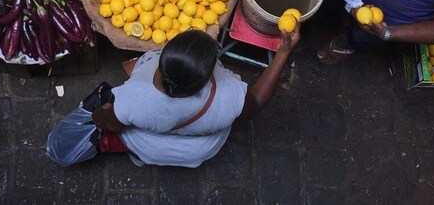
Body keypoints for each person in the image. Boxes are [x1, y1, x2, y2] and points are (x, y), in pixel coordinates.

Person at [87, 27, 300, 168]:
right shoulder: (229, 96)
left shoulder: (131, 99)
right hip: (196, 152)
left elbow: (108, 122)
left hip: (151, 149)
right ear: (207, 77)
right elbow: (256, 103)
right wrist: (282, 53)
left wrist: (101, 110)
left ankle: (125, 151)